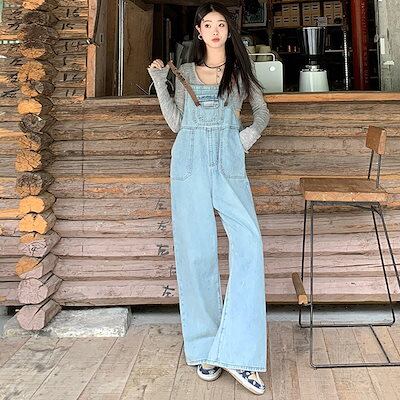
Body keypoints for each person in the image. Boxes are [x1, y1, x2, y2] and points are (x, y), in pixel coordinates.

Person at [147, 1, 270, 395]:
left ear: (228, 31)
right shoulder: (184, 72)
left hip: (229, 162)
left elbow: (262, 112)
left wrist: (243, 140)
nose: (215, 31)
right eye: (208, 25)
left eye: (221, 25)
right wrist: (161, 82)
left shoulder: (240, 71)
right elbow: (176, 123)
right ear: (198, 31)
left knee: (249, 244)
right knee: (196, 253)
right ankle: (205, 349)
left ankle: (238, 351)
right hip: (189, 162)